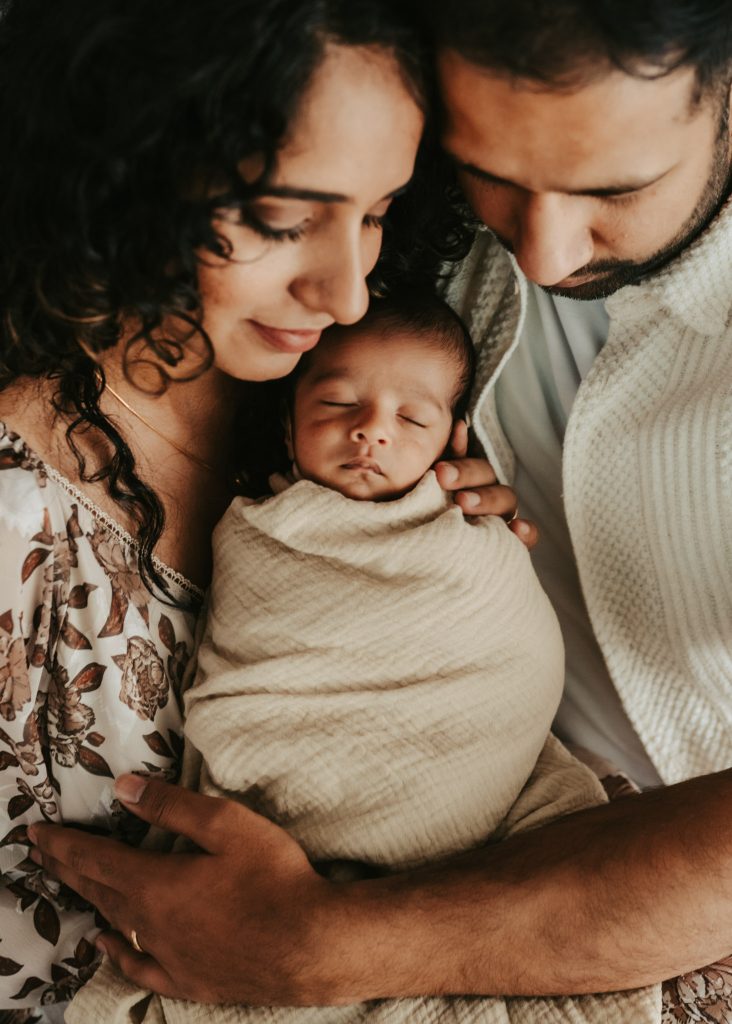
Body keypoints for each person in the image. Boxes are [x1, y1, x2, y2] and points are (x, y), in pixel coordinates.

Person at [28, 2, 732, 1022]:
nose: (543, 248)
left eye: (616, 187)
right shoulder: (424, 265)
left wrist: (322, 942)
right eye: (491, 169)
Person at [0, 0, 508, 1017]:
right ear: (126, 168)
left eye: (377, 215)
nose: (350, 290)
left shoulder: (354, 388)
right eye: (283, 221)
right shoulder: (21, 517)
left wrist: (444, 557)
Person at [71, 295, 663, 1023]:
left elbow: (508, 653)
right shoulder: (259, 528)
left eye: (411, 419)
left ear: (454, 438)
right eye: (338, 403)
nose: (371, 430)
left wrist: (482, 544)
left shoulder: (467, 535)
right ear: (288, 425)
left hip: (462, 797)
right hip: (286, 809)